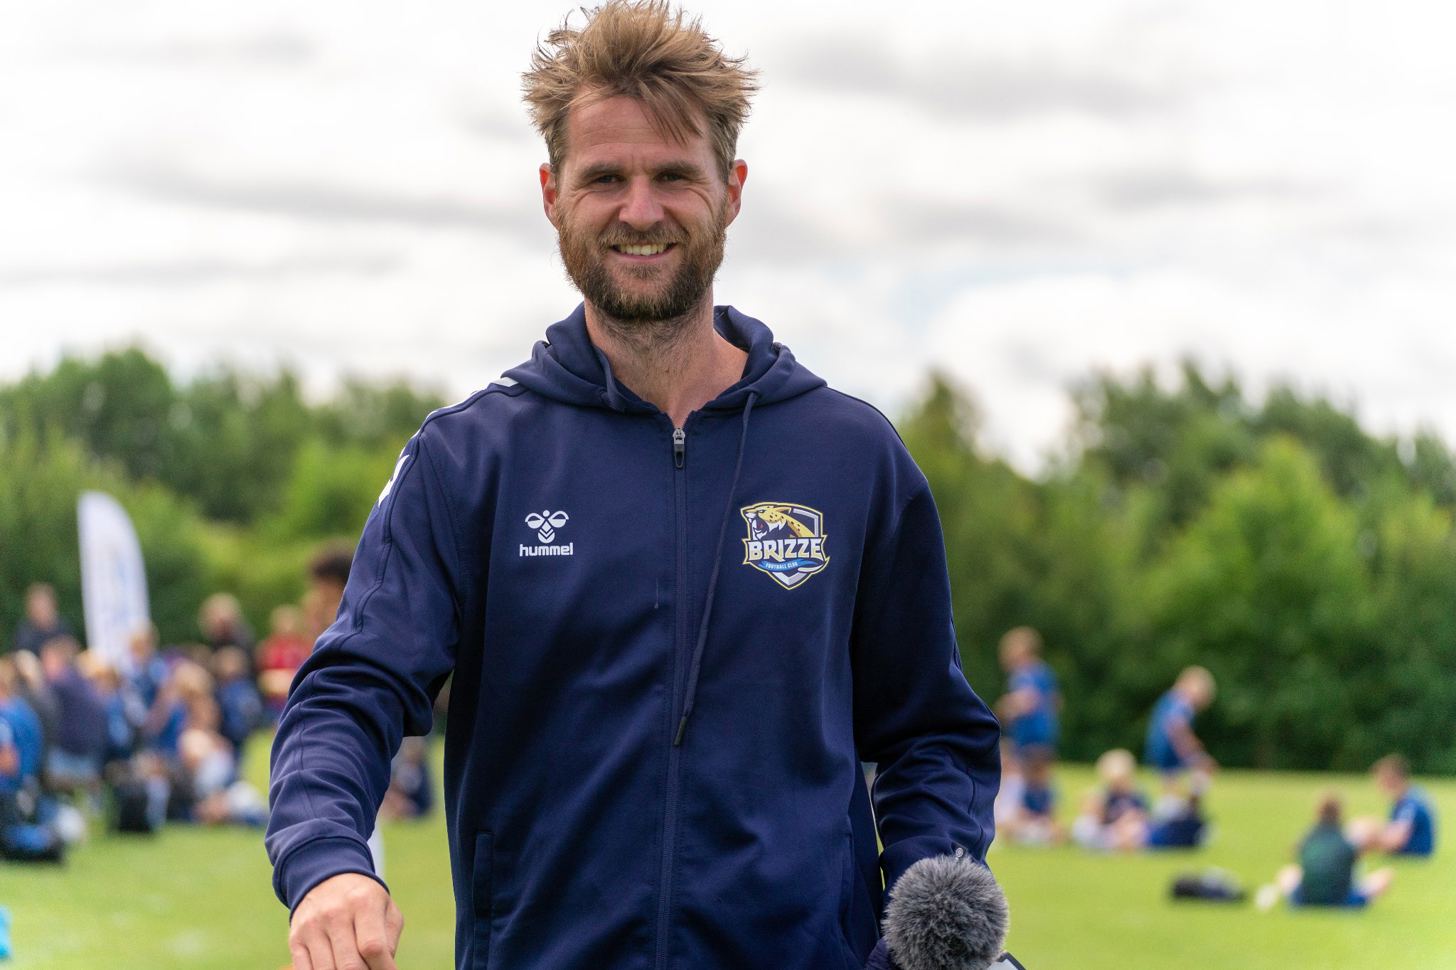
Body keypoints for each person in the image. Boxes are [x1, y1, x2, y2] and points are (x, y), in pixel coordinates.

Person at [266, 4, 1002, 969]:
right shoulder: (470, 459)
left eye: (674, 177)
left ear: (731, 190)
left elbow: (931, 736)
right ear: (552, 194)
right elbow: (348, 689)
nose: (641, 211)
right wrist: (328, 862)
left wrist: (927, 932)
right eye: (605, 177)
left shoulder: (852, 456)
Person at [1256, 793, 1393, 911]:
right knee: (1384, 876)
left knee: (1288, 872)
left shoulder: (1308, 838)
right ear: (1340, 813)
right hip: (1341, 902)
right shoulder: (1345, 839)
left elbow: (1293, 852)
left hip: (1304, 900)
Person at [1143, 665, 1217, 804]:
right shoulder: (1182, 702)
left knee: (1170, 786)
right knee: (1205, 767)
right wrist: (1191, 748)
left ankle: (1178, 807)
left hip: (1161, 749)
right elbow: (1177, 725)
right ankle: (1190, 808)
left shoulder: (1169, 699)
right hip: (1171, 749)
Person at [993, 626, 1060, 773]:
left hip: (1028, 735)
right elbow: (1056, 701)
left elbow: (1027, 700)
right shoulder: (1044, 671)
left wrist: (1004, 707)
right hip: (1044, 734)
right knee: (1039, 777)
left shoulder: (1023, 673)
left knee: (1020, 773)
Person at [1348, 754, 1436, 857]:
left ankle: (1347, 849)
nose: (1379, 786)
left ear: (1392, 780)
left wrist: (1370, 837)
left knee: (1365, 826)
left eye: (1381, 780)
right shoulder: (1406, 798)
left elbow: (1397, 839)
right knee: (1365, 824)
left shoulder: (1411, 803)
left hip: (1414, 851)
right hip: (1409, 848)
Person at [1072, 749, 1150, 851]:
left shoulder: (1136, 795)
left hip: (1130, 829)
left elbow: (1144, 817)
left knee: (1136, 829)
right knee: (1085, 824)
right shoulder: (1103, 795)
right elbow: (1100, 820)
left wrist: (1130, 819)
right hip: (1110, 829)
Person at [9, 584, 72, 656]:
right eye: (39, 607)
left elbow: (70, 646)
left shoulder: (61, 625)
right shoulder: (25, 632)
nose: (42, 610)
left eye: (45, 606)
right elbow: (21, 655)